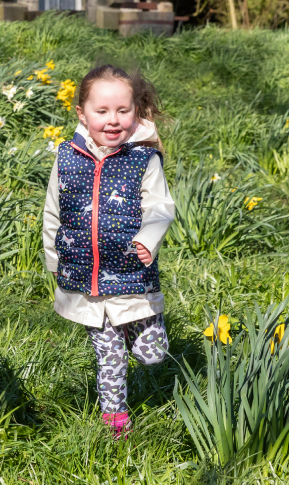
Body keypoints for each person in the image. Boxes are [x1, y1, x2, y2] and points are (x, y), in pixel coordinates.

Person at [41, 64, 174, 439]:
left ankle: (137, 331)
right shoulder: (67, 156)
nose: (113, 121)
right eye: (102, 112)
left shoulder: (142, 159)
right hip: (87, 281)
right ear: (82, 113)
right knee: (108, 357)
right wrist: (55, 259)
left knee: (152, 355)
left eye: (122, 111)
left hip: (133, 277)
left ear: (135, 112)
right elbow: (54, 209)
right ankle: (115, 424)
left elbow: (160, 208)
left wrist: (148, 240)